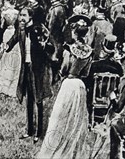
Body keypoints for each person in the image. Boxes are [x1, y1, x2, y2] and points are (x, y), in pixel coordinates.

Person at [38, 14, 93, 158]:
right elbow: (86, 73)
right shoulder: (89, 51)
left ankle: (56, 147)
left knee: (61, 117)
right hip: (80, 86)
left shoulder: (69, 49)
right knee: (76, 119)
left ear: (74, 32)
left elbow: (63, 69)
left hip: (69, 84)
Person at [7, 6, 54, 143]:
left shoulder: (39, 29)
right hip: (26, 69)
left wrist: (43, 45)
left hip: (38, 71)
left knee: (38, 101)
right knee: (29, 101)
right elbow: (12, 41)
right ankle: (29, 131)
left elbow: (51, 47)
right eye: (20, 15)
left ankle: (39, 133)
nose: (21, 18)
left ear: (30, 17)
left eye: (24, 15)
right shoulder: (21, 30)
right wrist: (5, 47)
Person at [0, 0, 21, 97]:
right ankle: (12, 86)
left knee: (5, 57)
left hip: (7, 33)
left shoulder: (4, 13)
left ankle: (3, 85)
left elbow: (1, 26)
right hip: (14, 33)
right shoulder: (17, 12)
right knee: (14, 58)